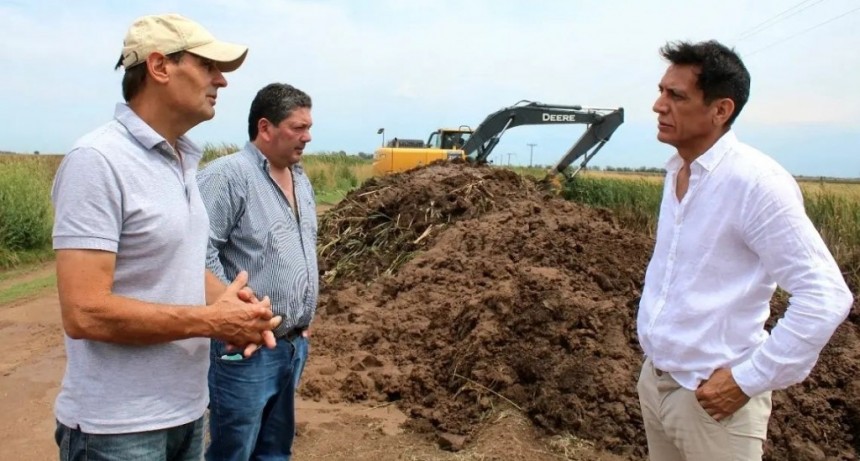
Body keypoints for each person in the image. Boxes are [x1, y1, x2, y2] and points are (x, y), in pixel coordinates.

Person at [51, 13, 282, 461]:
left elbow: (174, 267)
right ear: (159, 67)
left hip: (186, 416)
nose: (221, 81)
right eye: (207, 66)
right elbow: (83, 313)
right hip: (116, 430)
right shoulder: (97, 160)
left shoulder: (180, 161)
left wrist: (238, 308)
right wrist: (212, 322)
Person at [637, 40, 853, 461]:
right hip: (656, 384)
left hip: (713, 405)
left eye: (676, 96)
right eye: (662, 91)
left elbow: (826, 297)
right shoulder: (679, 171)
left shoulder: (756, 184)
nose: (658, 105)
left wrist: (747, 379)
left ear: (721, 110)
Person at [198, 83, 318, 461]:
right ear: (265, 128)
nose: (307, 137)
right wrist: (237, 312)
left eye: (308, 127)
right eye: (297, 128)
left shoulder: (300, 179)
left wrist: (303, 316)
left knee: (274, 450)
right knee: (234, 449)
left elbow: (301, 251)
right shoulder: (228, 176)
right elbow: (197, 249)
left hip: (292, 345)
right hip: (245, 348)